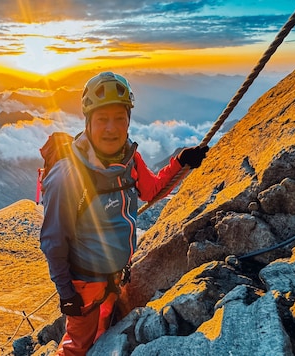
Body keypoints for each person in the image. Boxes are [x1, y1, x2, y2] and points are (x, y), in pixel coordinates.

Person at [39, 71, 208, 356]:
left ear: (129, 121)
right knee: (77, 346)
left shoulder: (130, 158)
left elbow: (151, 190)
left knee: (104, 331)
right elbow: (53, 241)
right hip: (84, 283)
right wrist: (67, 295)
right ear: (88, 121)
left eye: (119, 118)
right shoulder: (67, 175)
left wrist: (181, 162)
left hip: (115, 275)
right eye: (102, 119)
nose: (111, 128)